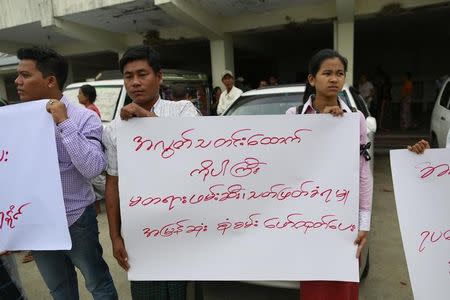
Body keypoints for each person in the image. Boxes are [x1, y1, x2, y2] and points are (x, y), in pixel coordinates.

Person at [15, 47, 117, 300]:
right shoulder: (14, 121)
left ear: (50, 80)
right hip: (37, 223)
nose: (17, 81)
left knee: (98, 283)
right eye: (18, 75)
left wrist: (64, 122)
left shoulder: (83, 118)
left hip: (75, 219)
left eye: (25, 75)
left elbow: (93, 167)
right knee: (59, 289)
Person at [102, 45, 200, 300]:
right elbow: (113, 183)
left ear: (159, 76)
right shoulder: (114, 129)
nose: (135, 82)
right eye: (128, 76)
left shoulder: (183, 111)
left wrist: (145, 119)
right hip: (142, 229)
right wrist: (115, 237)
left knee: (185, 290)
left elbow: (192, 154)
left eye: (142, 74)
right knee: (147, 291)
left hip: (186, 224)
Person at [286, 49, 373, 300]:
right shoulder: (293, 118)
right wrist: (319, 126)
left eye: (339, 73)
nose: (334, 79)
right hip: (307, 217)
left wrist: (363, 223)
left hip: (343, 217)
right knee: (315, 284)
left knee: (342, 284)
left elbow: (363, 173)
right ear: (312, 79)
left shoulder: (354, 119)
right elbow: (289, 166)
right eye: (327, 73)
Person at [78, 84, 104, 215]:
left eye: (80, 93)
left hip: (91, 152)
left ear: (86, 96)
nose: (78, 96)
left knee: (96, 181)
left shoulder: (89, 112)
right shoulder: (90, 109)